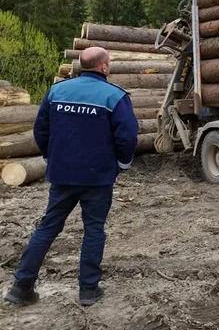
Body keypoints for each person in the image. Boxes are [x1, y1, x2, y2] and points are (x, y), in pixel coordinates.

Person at [3, 47, 139, 307]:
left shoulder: (57, 91)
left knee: (47, 228)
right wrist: (121, 164)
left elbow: (40, 129)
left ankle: (20, 288)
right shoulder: (115, 96)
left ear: (80, 65)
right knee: (94, 229)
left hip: (62, 174)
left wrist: (51, 157)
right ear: (104, 67)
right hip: (98, 178)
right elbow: (128, 136)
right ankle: (88, 290)